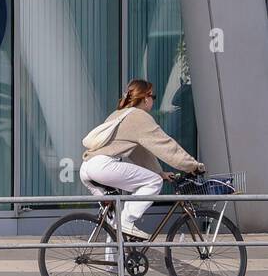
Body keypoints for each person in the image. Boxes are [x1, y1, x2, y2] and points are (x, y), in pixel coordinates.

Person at [80, 79, 204, 238]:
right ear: (146, 98)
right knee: (153, 182)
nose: (153, 100)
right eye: (154, 97)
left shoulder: (118, 114)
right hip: (102, 166)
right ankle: (127, 221)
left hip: (88, 167)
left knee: (114, 225)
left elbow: (139, 152)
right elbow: (166, 145)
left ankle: (116, 262)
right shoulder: (139, 116)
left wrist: (159, 172)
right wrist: (193, 166)